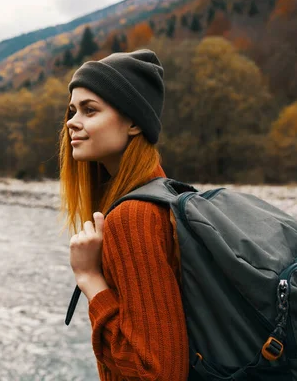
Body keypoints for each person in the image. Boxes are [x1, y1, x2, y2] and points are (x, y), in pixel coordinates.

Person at [59, 49, 189, 380]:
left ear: (133, 122)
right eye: (72, 110)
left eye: (90, 110)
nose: (72, 122)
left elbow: (158, 373)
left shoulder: (133, 216)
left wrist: (90, 279)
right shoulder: (162, 194)